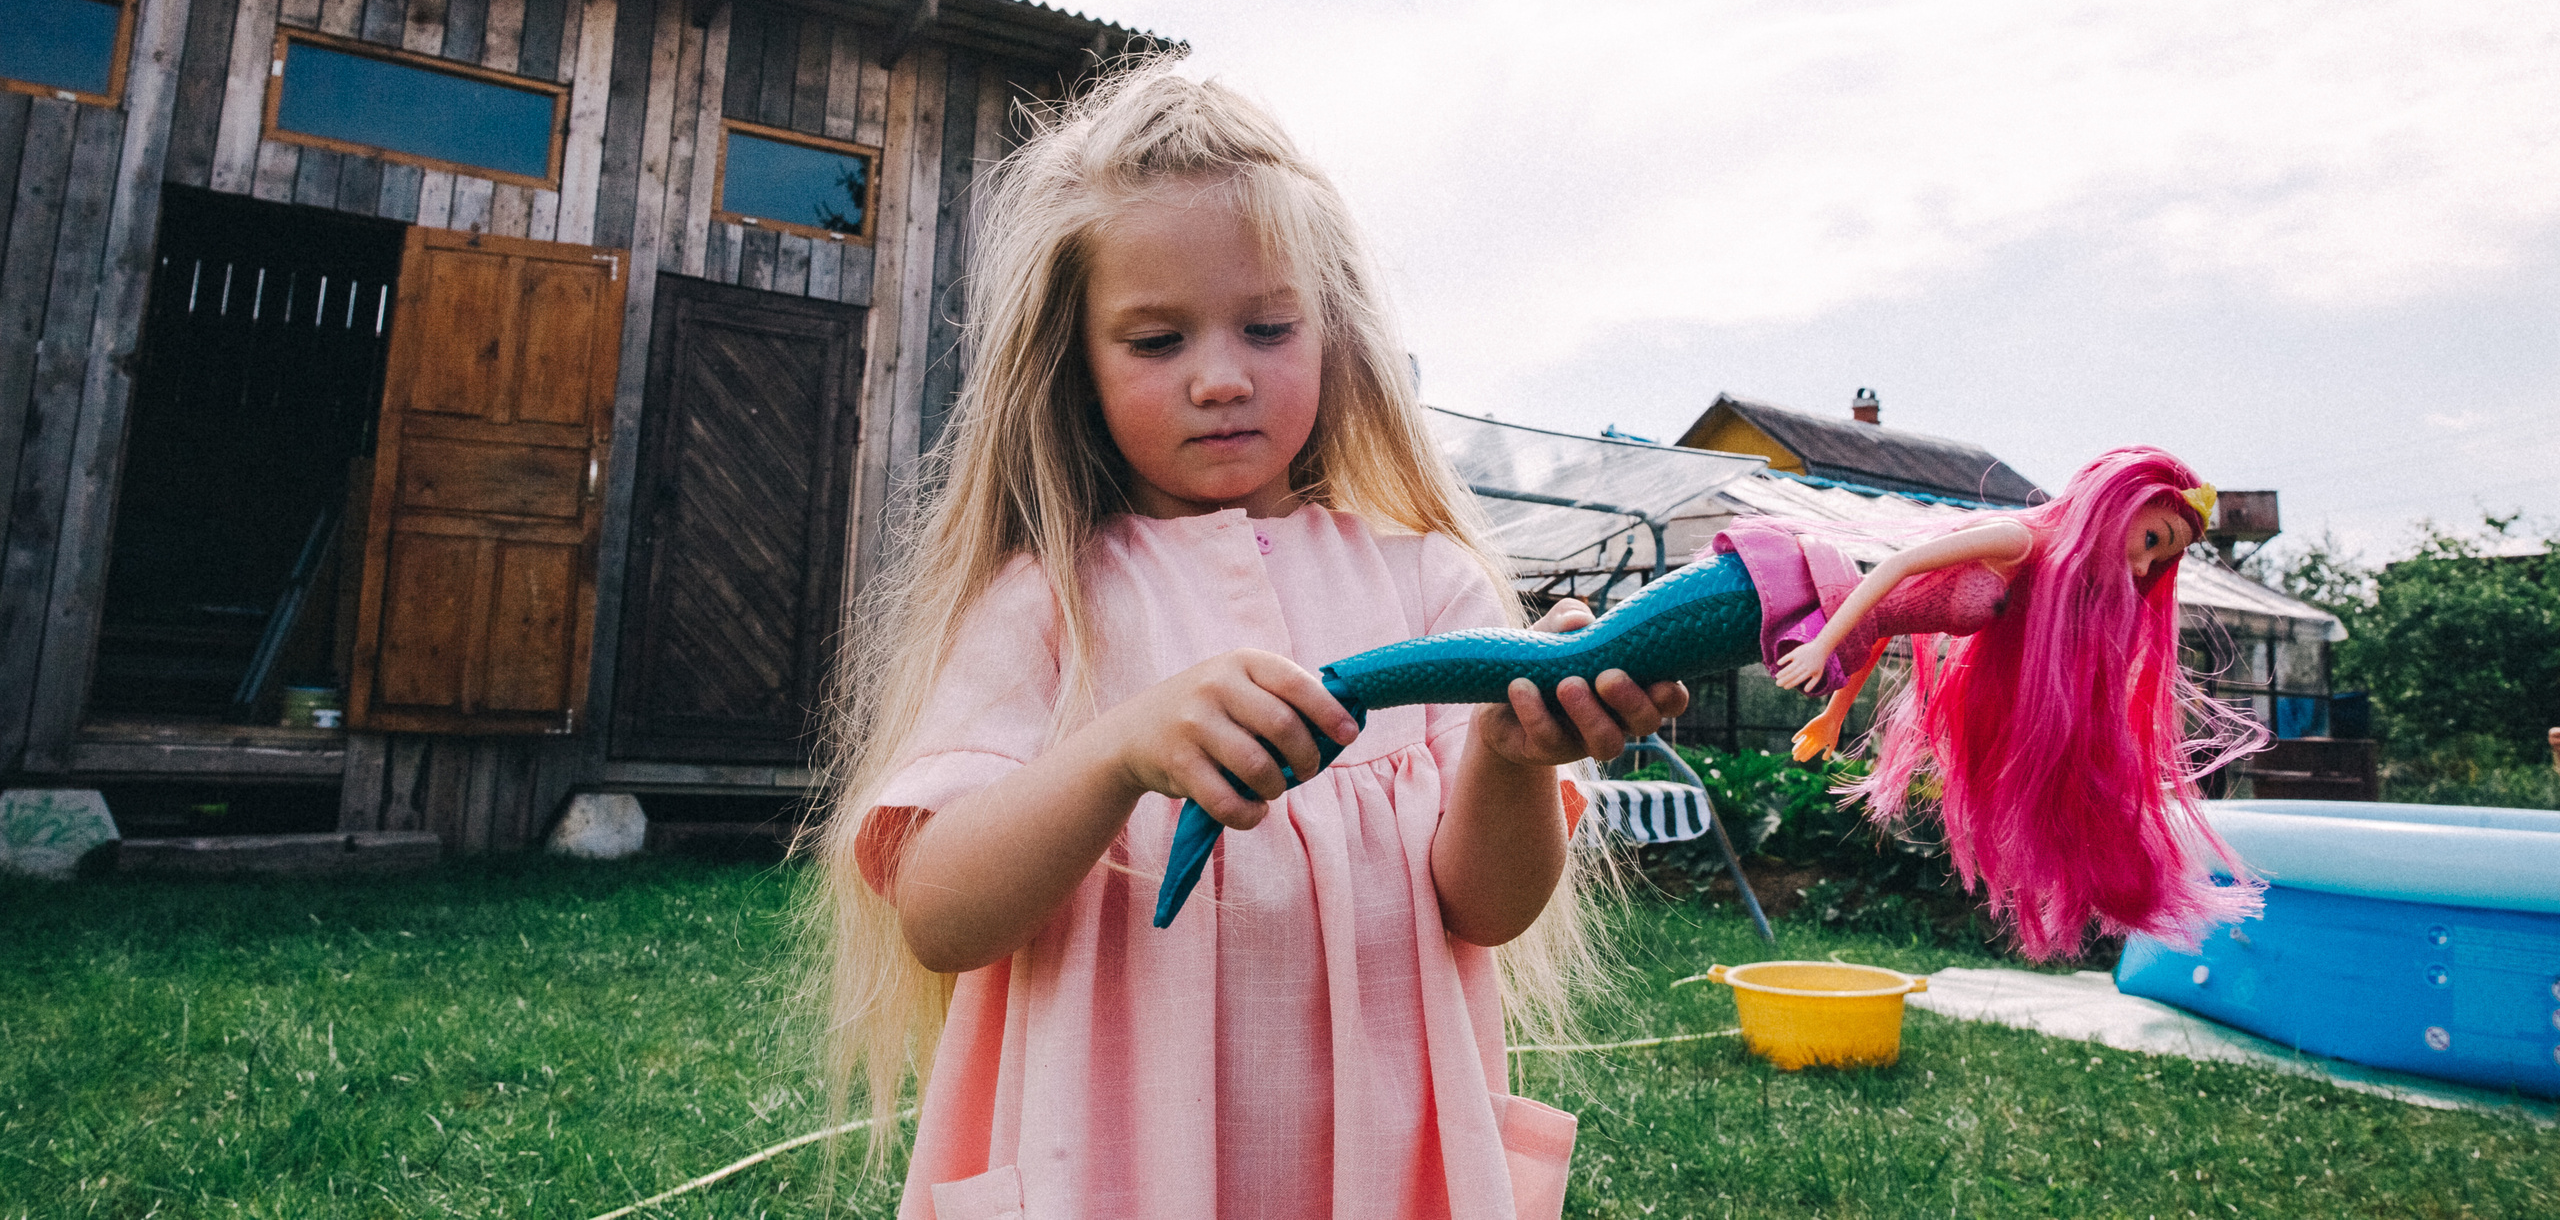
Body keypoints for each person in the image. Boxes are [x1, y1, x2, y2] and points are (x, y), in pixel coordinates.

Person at [811, 66, 1684, 1220]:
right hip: (1111, 1182)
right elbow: (940, 918)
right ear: (1076, 362)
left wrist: (1510, 757)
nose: (1221, 378)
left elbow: (1485, 908)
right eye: (1156, 339)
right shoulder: (1046, 603)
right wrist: (1117, 751)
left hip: (1374, 1180)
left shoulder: (1430, 586)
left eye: (1268, 328)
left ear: (1334, 336)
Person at [1738, 448, 2264, 960]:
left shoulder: (2051, 577)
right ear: (2117, 504)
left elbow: (1882, 628)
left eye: (2158, 559)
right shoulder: (2017, 540)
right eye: (2151, 539)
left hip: (1856, 633)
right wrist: (1823, 644)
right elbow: (1895, 569)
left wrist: (1833, 715)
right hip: (1820, 606)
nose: (2145, 566)